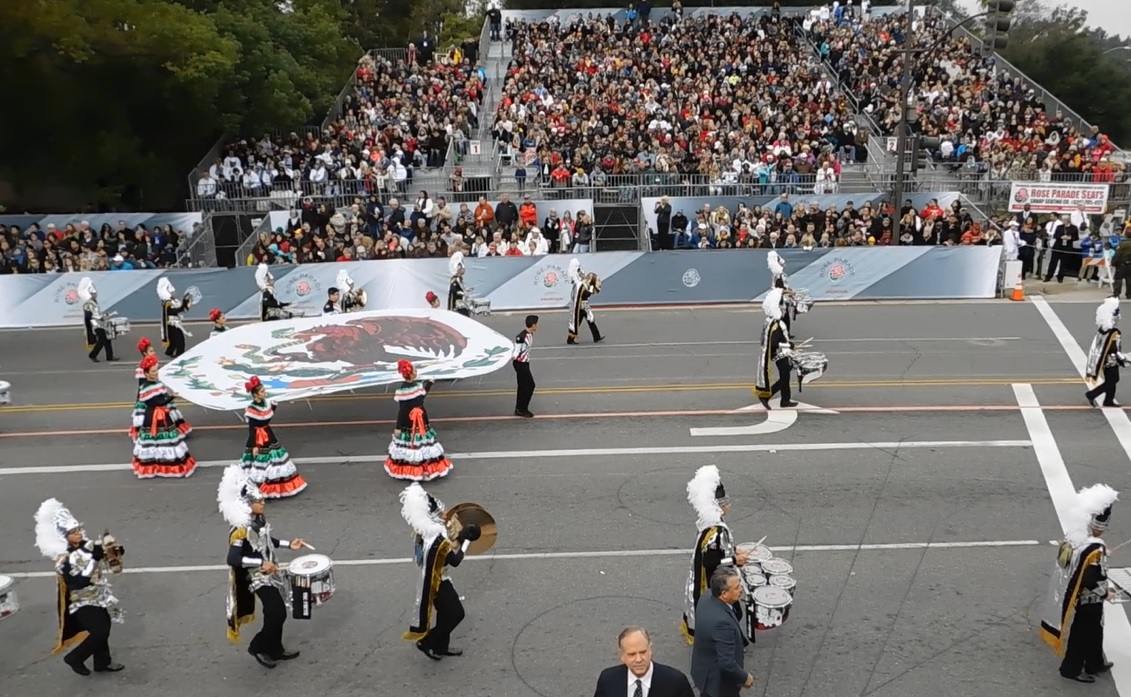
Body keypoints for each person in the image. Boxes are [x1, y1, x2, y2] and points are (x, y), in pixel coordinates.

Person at [219, 464, 309, 669]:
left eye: (262, 500)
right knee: (276, 612)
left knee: (277, 613)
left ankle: (275, 649)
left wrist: (288, 544)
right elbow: (233, 558)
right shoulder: (240, 530)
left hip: (272, 571)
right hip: (256, 577)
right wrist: (261, 563)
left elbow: (266, 540)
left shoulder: (259, 519)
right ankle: (258, 647)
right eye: (258, 501)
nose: (263, 503)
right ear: (248, 504)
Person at [34, 498, 125, 675]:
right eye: (73, 532)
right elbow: (79, 581)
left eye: (78, 530)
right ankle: (74, 658)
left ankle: (102, 663)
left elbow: (110, 555)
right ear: (64, 536)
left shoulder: (88, 545)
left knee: (103, 628)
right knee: (100, 631)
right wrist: (94, 559)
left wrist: (114, 550)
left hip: (99, 595)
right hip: (82, 601)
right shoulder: (63, 560)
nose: (79, 534)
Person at [1039, 484, 1120, 683]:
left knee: (1095, 630)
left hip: (1077, 594)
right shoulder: (1094, 548)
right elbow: (1092, 579)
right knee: (1082, 633)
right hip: (1089, 599)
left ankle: (1094, 662)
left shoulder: (1075, 538)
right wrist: (1106, 593)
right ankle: (1071, 669)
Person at [400, 483, 478, 659]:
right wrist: (466, 539)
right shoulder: (436, 539)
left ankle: (441, 646)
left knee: (445, 613)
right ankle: (427, 641)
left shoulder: (424, 531)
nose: (443, 515)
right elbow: (455, 560)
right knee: (457, 613)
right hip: (437, 581)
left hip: (431, 573)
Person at [681, 465, 749, 645]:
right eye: (725, 502)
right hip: (715, 582)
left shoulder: (710, 523)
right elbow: (712, 562)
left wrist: (733, 550)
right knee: (733, 612)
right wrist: (735, 559)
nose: (729, 505)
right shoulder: (716, 531)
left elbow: (718, 550)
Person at [690, 568, 756, 697]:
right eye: (737, 587)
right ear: (724, 594)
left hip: (703, 670)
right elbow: (727, 663)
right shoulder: (722, 623)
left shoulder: (707, 597)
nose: (741, 589)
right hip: (719, 685)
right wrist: (745, 678)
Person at [384, 360, 454, 481]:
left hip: (421, 418)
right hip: (410, 421)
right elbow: (402, 411)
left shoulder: (416, 386)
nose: (417, 372)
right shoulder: (403, 390)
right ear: (410, 374)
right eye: (415, 371)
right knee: (415, 444)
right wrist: (398, 427)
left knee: (422, 443)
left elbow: (421, 397)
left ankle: (425, 469)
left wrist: (429, 384)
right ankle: (417, 470)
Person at [240, 376, 307, 497]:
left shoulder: (265, 403)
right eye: (262, 391)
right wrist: (254, 446)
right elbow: (252, 429)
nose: (264, 393)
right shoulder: (251, 409)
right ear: (255, 395)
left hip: (268, 434)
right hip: (258, 438)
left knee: (275, 460)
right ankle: (255, 487)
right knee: (261, 462)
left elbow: (268, 416)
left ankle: (275, 487)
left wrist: (274, 406)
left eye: (264, 390)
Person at [132, 355, 197, 478]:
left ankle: (165, 463)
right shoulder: (146, 388)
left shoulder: (156, 383)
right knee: (157, 440)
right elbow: (157, 402)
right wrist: (172, 396)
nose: (156, 373)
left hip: (162, 414)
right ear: (146, 373)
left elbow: (162, 399)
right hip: (153, 417)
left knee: (167, 439)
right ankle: (156, 464)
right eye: (153, 371)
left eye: (157, 370)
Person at [592, 626, 695, 697]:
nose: (639, 659)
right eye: (632, 654)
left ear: (650, 650)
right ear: (622, 655)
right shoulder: (608, 680)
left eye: (643, 652)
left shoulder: (675, 682)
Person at [130, 338, 191, 442]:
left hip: (158, 392)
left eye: (153, 351)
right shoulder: (143, 368)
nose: (153, 353)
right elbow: (142, 387)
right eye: (151, 351)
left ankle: (173, 430)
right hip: (151, 396)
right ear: (145, 353)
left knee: (168, 414)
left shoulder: (153, 365)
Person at [754, 288, 796, 410]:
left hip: (779, 354)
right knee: (784, 377)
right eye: (781, 308)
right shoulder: (777, 324)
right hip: (780, 355)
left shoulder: (769, 321)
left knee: (786, 376)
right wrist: (789, 345)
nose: (784, 311)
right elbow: (774, 343)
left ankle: (785, 399)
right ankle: (768, 396)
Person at [1085, 297, 1128, 408]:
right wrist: (1123, 359)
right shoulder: (1114, 332)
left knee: (1112, 379)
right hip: (1111, 360)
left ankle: (1108, 400)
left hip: (1104, 359)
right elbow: (1114, 348)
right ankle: (1092, 394)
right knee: (1113, 380)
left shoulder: (1102, 331)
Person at [79, 277, 118, 363]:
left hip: (101, 323)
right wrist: (101, 318)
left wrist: (109, 314)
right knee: (102, 340)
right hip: (95, 325)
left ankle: (110, 356)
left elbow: (98, 314)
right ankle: (92, 355)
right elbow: (89, 316)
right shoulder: (88, 303)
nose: (95, 294)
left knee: (107, 339)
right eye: (93, 293)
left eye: (95, 293)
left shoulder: (94, 302)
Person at [567, 258, 604, 344]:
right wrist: (591, 288)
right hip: (580, 307)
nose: (582, 273)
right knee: (576, 322)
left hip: (584, 306)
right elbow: (584, 295)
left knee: (591, 320)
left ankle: (597, 337)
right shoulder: (579, 285)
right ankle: (570, 339)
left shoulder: (581, 284)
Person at [513, 314, 538, 417]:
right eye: (536, 324)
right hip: (520, 364)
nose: (537, 326)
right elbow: (516, 352)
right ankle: (523, 408)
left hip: (525, 363)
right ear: (533, 325)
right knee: (530, 385)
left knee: (523, 386)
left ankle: (519, 408)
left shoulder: (530, 334)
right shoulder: (521, 337)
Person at [157, 277, 189, 357]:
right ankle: (179, 353)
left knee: (174, 339)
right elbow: (173, 311)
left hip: (175, 322)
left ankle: (170, 351)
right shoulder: (167, 303)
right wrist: (183, 306)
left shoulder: (172, 301)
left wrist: (184, 305)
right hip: (172, 323)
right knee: (179, 338)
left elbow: (180, 309)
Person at [448, 251, 471, 316]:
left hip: (462, 301)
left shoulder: (460, 279)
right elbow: (453, 291)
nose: (463, 270)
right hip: (457, 304)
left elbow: (460, 288)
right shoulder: (455, 279)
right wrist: (462, 293)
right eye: (462, 268)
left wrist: (466, 290)